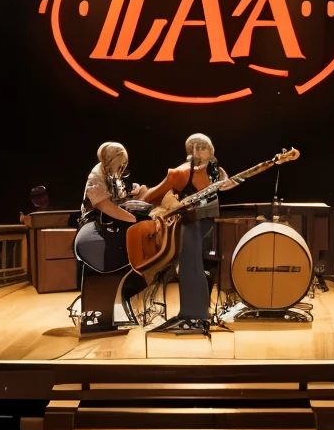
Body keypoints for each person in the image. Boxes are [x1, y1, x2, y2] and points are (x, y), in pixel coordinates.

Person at [152, 133, 236, 335]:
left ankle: (197, 314)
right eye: (194, 148)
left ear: (210, 150)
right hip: (186, 221)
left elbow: (227, 185)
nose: (197, 152)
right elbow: (162, 193)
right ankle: (191, 312)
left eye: (202, 148)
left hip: (204, 221)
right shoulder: (183, 171)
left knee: (196, 266)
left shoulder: (216, 169)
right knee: (190, 265)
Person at [75, 142, 149, 335]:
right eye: (121, 163)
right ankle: (99, 317)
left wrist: (137, 193)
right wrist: (134, 218)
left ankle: (120, 307)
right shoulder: (96, 176)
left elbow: (118, 201)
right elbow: (103, 205)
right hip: (96, 228)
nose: (123, 168)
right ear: (114, 160)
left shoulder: (111, 175)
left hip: (109, 226)